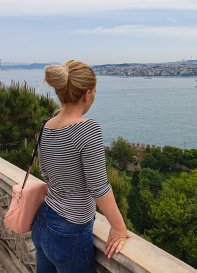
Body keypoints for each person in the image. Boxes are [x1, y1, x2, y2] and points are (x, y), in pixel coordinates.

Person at [31, 60, 130, 273]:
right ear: (87, 94)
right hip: (69, 231)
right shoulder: (88, 129)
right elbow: (98, 187)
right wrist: (118, 226)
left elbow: (46, 174)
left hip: (43, 222)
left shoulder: (45, 126)